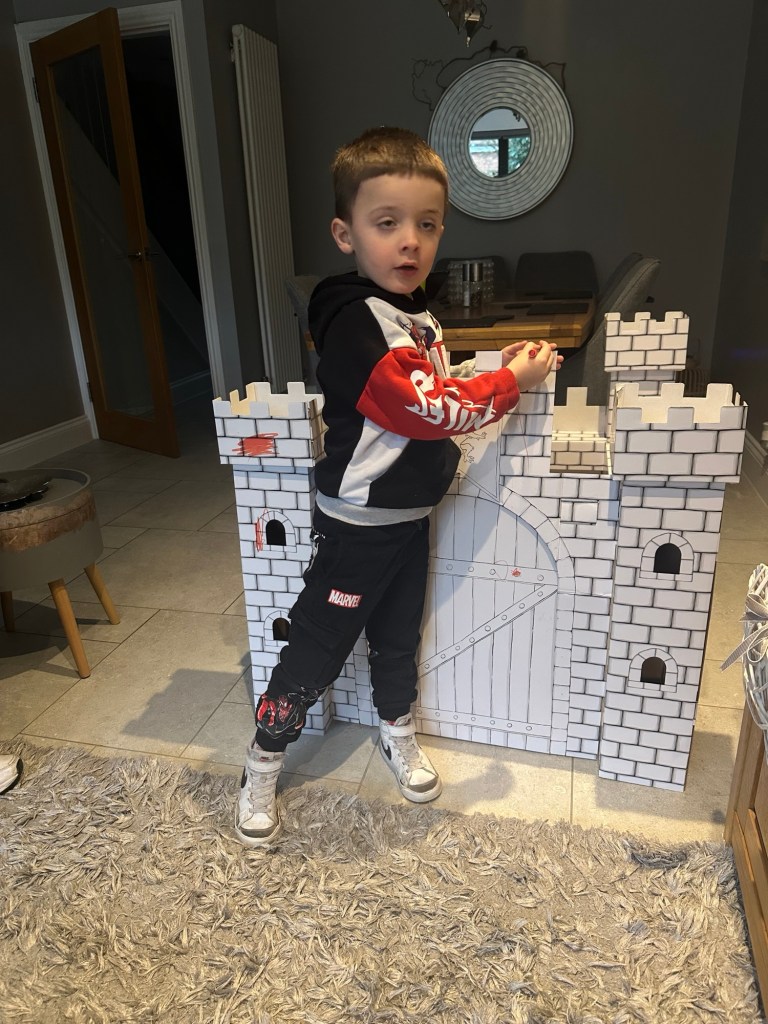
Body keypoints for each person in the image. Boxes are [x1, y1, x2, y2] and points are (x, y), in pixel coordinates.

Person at [235, 126, 561, 847]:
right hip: (359, 524)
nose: (410, 241)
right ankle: (262, 760)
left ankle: (397, 729)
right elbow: (425, 409)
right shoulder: (356, 321)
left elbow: (432, 382)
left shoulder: (414, 313)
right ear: (345, 234)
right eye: (387, 224)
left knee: (396, 636)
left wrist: (490, 366)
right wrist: (512, 382)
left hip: (408, 516)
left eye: (427, 224)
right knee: (316, 648)